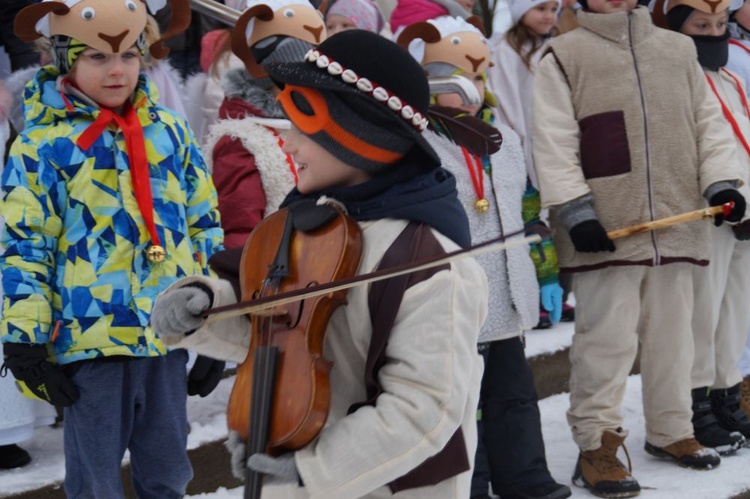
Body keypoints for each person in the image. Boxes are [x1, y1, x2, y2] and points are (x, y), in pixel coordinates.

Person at [151, 29, 489, 499]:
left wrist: (314, 470)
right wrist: (207, 308)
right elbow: (280, 323)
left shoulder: (429, 261)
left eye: (300, 129)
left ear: (356, 138)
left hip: (389, 487)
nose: (286, 145)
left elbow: (424, 407)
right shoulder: (307, 222)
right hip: (296, 453)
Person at [0, 1, 224, 497]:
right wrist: (26, 340)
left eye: (128, 54)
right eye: (97, 57)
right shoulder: (42, 147)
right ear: (63, 60)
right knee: (96, 480)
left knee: (168, 471)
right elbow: (23, 247)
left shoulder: (168, 131)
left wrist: (216, 316)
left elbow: (202, 225)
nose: (118, 69)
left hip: (167, 335)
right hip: (90, 343)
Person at [531, 0, 747, 495]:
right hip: (606, 228)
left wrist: (720, 183)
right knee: (606, 343)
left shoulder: (677, 50)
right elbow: (553, 140)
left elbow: (708, 126)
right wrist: (575, 210)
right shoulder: (563, 55)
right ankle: (597, 446)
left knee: (676, 337)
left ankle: (673, 430)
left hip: (678, 217)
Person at [398, 15, 570, 499]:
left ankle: (524, 475)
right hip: (454, 298)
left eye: (478, 77)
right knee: (460, 403)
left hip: (508, 294)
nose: (473, 91)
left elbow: (529, 212)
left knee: (513, 396)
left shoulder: (503, 138)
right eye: (458, 80)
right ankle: (466, 482)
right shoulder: (418, 144)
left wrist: (546, 272)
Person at [662, 0, 750, 454]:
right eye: (701, 25)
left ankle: (726, 395)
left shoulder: (731, 77)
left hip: (745, 211)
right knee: (702, 313)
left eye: (719, 24)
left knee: (735, 311)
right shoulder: (677, 80)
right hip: (706, 210)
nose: (714, 33)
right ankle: (694, 405)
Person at [207, 0, 326, 250]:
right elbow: (239, 232)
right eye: (297, 71)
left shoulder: (322, 125)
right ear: (270, 73)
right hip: (274, 276)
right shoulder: (241, 140)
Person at [488, 0, 575, 328]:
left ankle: (557, 295)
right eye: (541, 8)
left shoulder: (553, 48)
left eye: (554, 9)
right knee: (530, 229)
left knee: (555, 228)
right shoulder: (504, 53)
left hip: (550, 150)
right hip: (521, 152)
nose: (549, 16)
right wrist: (516, 150)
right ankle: (534, 298)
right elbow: (506, 104)